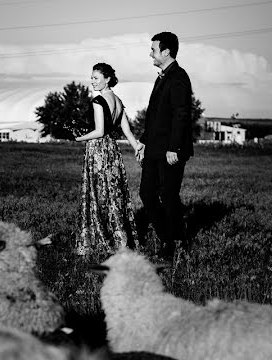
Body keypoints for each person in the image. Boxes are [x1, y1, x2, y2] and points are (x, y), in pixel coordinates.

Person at [72, 62, 144, 257]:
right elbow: (127, 130)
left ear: (107, 79)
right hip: (112, 150)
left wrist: (78, 137)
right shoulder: (118, 101)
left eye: (96, 78)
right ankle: (120, 239)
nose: (92, 81)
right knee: (113, 193)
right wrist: (137, 146)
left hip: (98, 150)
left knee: (98, 194)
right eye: (92, 77)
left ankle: (99, 239)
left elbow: (99, 131)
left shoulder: (98, 101)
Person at [137, 31, 194, 260]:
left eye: (153, 49)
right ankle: (166, 236)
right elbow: (155, 116)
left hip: (170, 150)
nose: (150, 53)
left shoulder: (179, 76)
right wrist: (143, 141)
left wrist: (174, 148)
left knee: (168, 196)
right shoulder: (161, 76)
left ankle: (176, 242)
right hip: (153, 148)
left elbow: (181, 115)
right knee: (147, 194)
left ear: (166, 51)